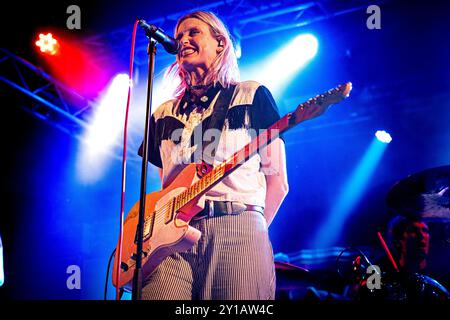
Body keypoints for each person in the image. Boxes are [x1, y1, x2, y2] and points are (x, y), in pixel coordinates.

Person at [139, 11, 289, 300]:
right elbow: (166, 189)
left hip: (236, 225)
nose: (183, 40)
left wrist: (248, 232)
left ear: (220, 42)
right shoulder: (162, 114)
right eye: (180, 36)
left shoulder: (250, 95)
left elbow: (278, 183)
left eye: (193, 32)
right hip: (171, 237)